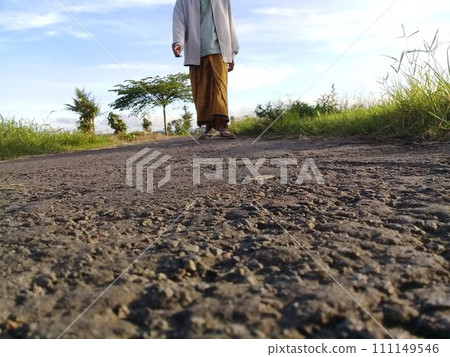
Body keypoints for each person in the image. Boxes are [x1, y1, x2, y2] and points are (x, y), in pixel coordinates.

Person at [172, 0, 239, 139]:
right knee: (201, 89)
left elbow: (229, 22)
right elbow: (179, 22)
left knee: (220, 88)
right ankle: (208, 128)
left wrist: (232, 52)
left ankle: (221, 127)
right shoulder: (183, 2)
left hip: (219, 49)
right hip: (196, 50)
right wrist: (178, 42)